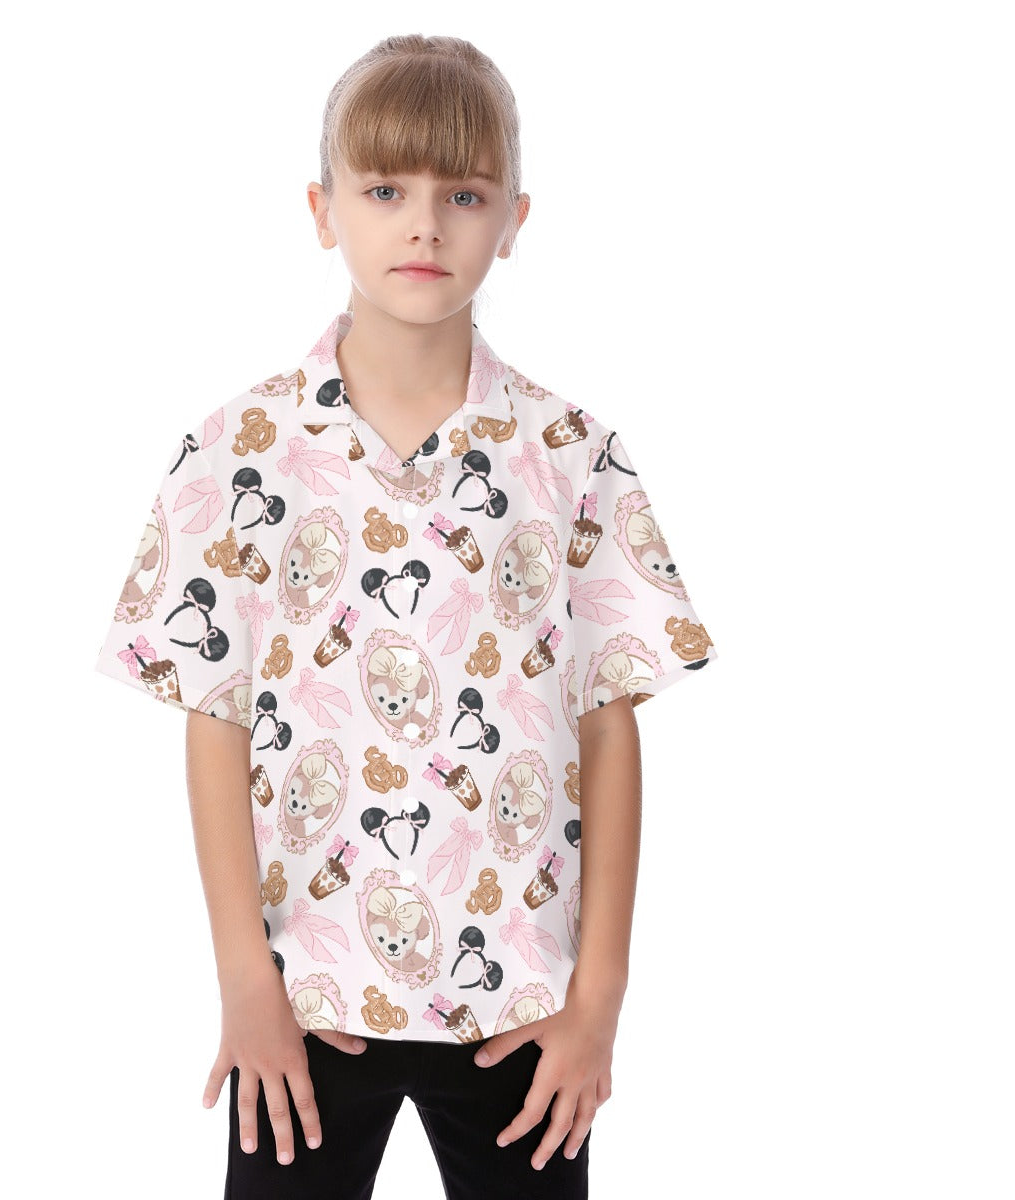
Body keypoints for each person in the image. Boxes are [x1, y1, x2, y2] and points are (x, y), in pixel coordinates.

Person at [93, 33, 718, 1200]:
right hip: (307, 1011)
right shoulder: (239, 450)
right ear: (322, 209)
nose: (424, 226)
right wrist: (246, 984)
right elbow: (215, 718)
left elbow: (609, 728)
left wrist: (597, 1002)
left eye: (462, 195)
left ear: (513, 218)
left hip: (520, 1017)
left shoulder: (571, 456)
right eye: (385, 190)